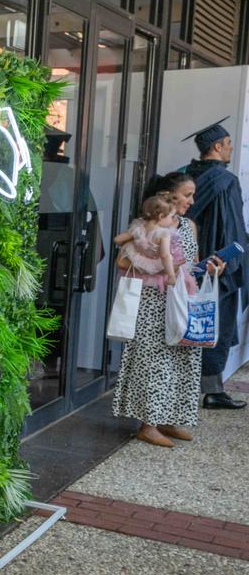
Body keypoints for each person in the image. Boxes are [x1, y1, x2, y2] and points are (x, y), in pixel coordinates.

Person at [112, 174, 210, 446]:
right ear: (168, 195)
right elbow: (123, 261)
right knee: (153, 360)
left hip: (180, 299)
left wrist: (210, 267)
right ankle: (147, 423)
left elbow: (194, 261)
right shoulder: (147, 225)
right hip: (152, 302)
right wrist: (162, 267)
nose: (191, 201)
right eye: (187, 194)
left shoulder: (188, 226)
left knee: (182, 355)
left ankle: (167, 418)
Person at [182, 117, 248, 410]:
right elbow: (232, 227)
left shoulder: (185, 176)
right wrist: (233, 261)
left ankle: (190, 386)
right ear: (218, 146)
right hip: (217, 264)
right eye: (229, 144)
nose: (231, 149)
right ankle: (213, 391)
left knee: (191, 323)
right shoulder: (225, 181)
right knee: (215, 325)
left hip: (189, 261)